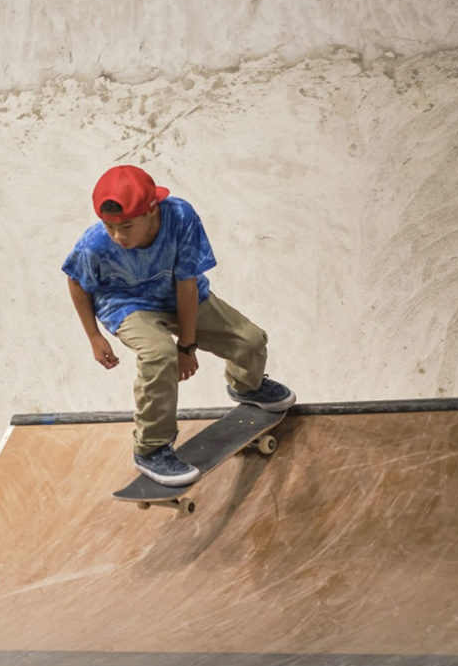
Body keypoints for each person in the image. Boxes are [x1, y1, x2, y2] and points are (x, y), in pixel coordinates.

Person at [62, 165, 295, 487]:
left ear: (151, 210)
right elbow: (77, 282)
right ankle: (151, 448)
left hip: (177, 294)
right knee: (159, 355)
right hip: (126, 304)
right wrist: (93, 336)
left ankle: (246, 386)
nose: (118, 236)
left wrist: (187, 346)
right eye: (110, 227)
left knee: (249, 341)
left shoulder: (180, 217)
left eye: (127, 226)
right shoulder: (94, 243)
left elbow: (186, 283)